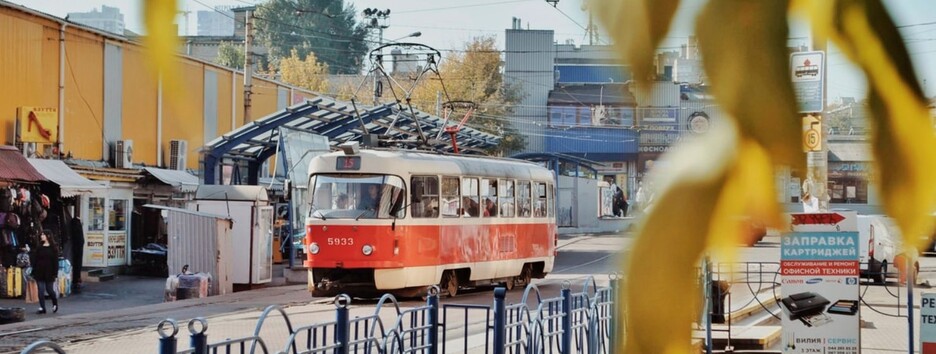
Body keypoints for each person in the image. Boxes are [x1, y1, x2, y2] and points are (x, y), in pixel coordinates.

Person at [30, 230, 59, 314]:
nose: (41, 236)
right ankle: (42, 307)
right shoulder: (39, 247)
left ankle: (55, 303)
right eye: (41, 235)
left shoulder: (53, 248)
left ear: (48, 236)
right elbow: (35, 260)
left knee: (50, 290)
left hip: (49, 272)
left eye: (43, 235)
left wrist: (55, 273)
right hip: (39, 271)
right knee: (40, 290)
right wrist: (33, 270)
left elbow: (55, 262)